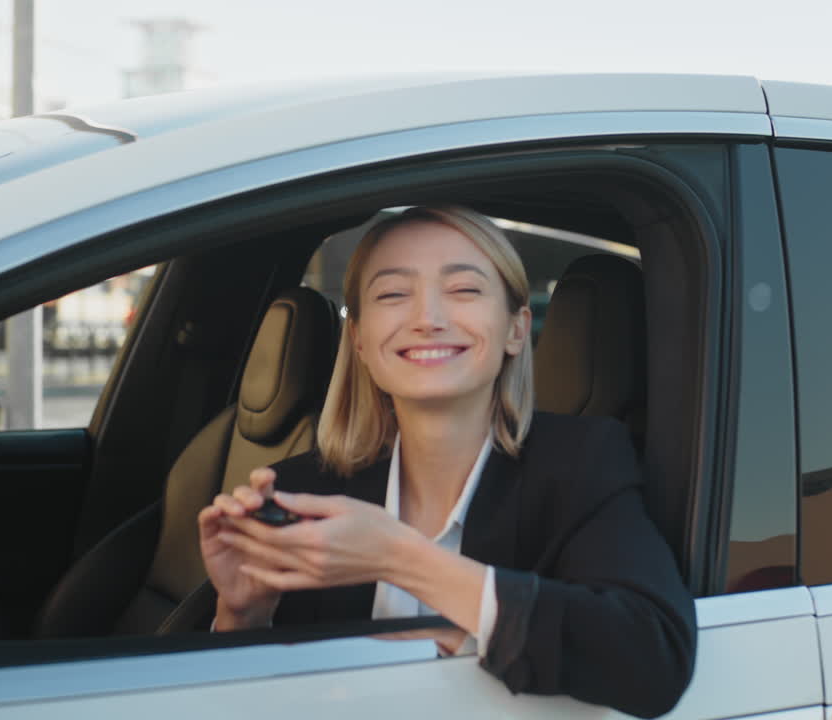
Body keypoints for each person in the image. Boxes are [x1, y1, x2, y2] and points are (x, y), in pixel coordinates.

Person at [197, 205, 696, 719]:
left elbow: (653, 661)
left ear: (515, 331)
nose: (428, 320)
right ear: (360, 341)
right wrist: (243, 612)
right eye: (393, 294)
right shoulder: (301, 489)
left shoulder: (582, 462)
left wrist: (399, 558)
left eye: (463, 290)